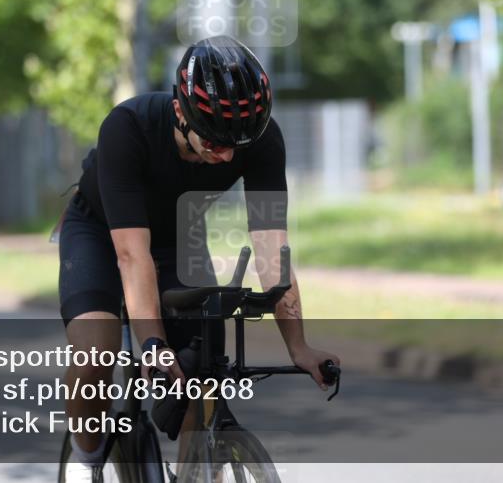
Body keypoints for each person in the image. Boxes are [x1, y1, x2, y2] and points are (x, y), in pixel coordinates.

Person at [58, 36, 339, 482]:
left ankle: (195, 473)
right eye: (213, 141)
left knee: (202, 371)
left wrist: (298, 346)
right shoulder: (128, 127)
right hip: (100, 233)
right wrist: (153, 342)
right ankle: (85, 458)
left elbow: (272, 248)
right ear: (180, 112)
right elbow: (131, 255)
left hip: (178, 237)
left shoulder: (261, 139)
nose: (226, 155)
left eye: (237, 145)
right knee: (97, 351)